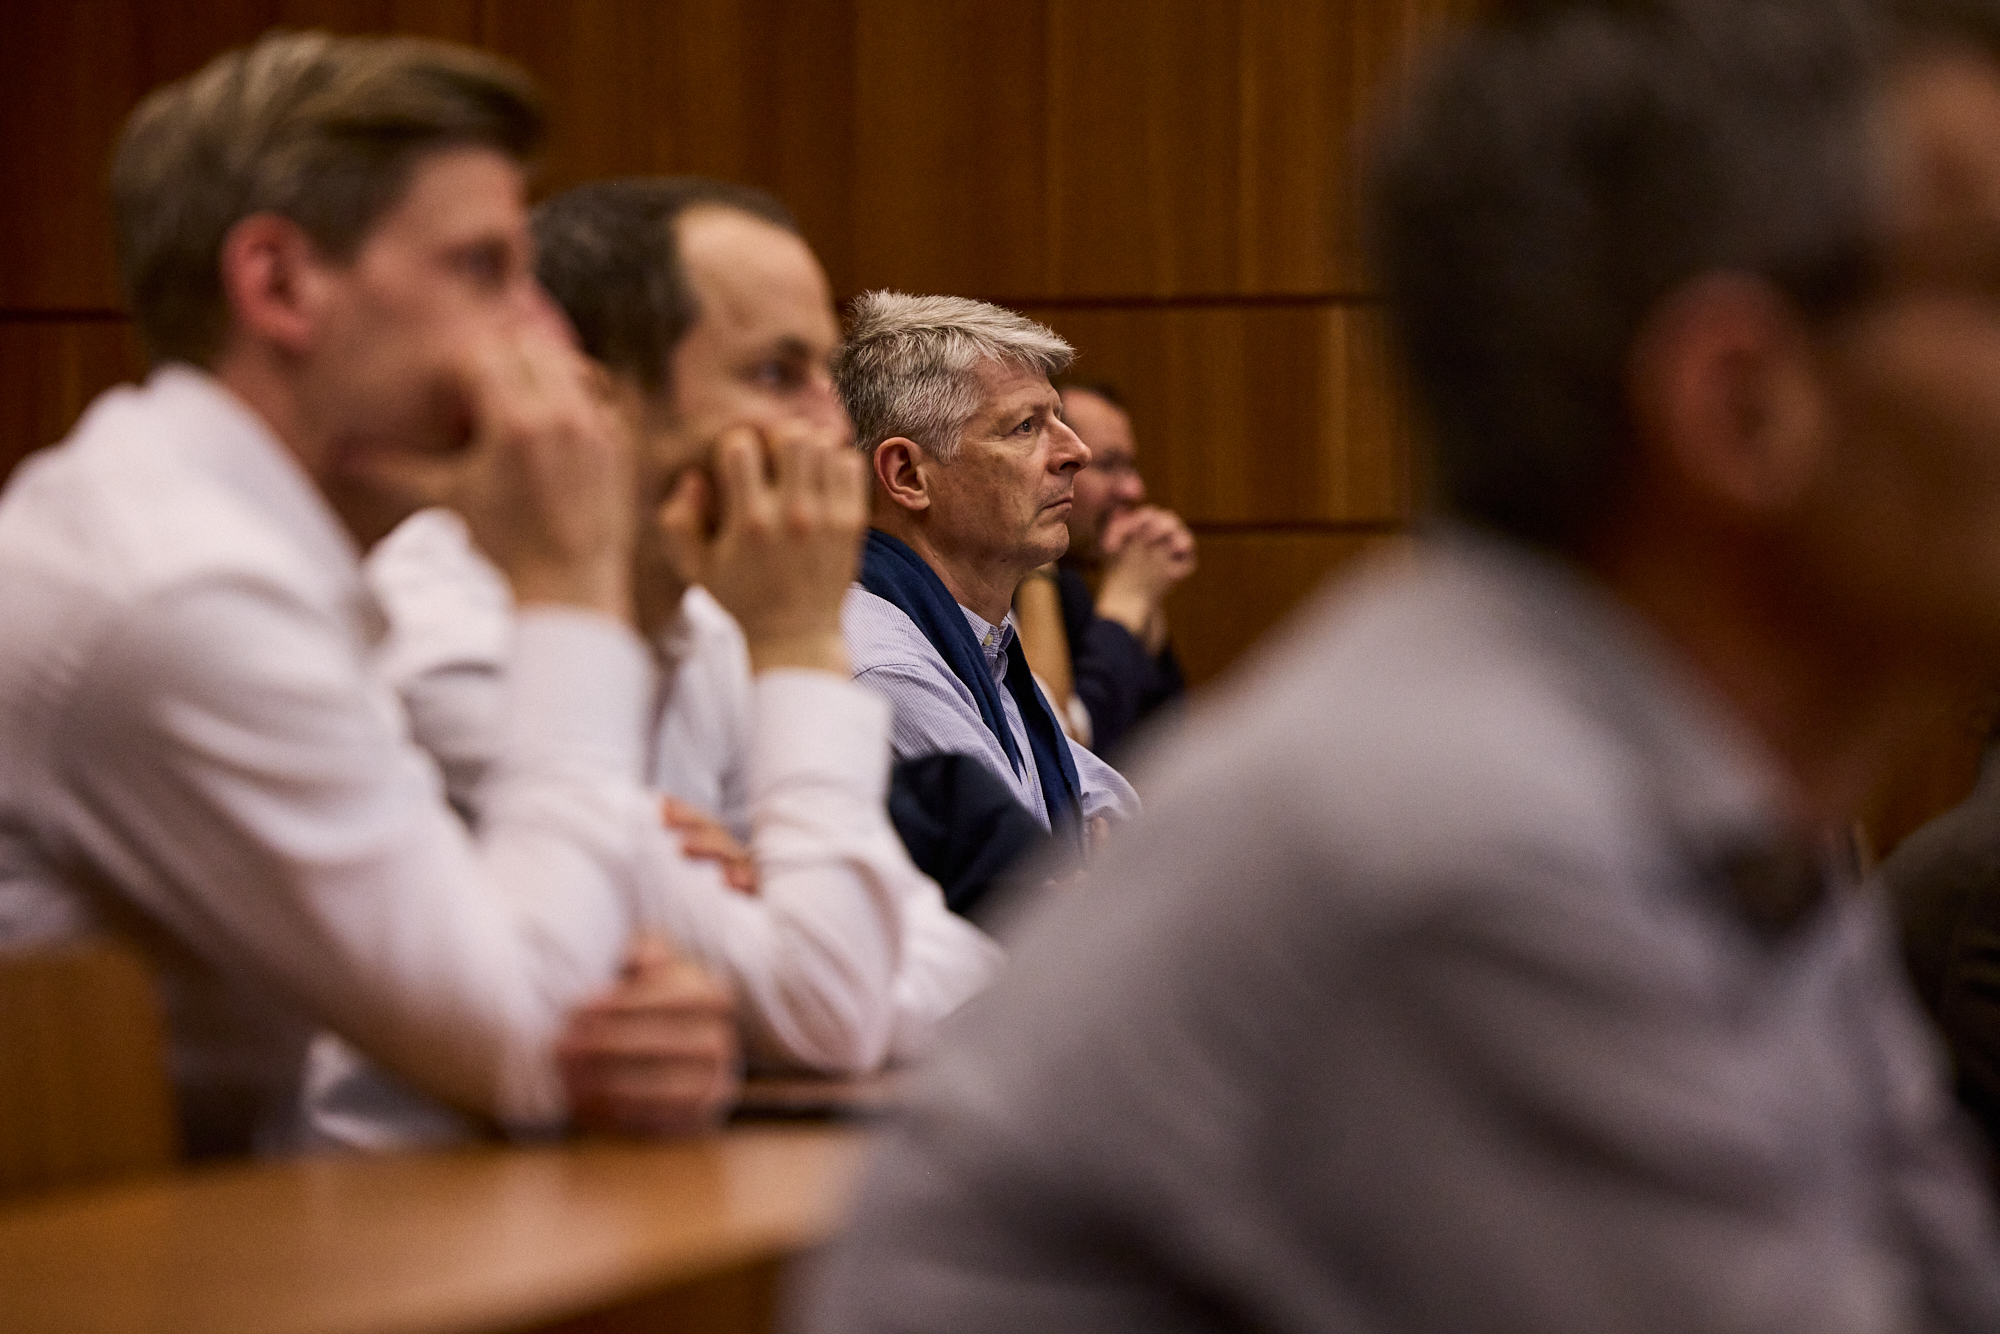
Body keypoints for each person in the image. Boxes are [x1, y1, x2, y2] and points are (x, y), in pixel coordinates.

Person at [800, 1, 2000, 1329]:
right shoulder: (1470, 855)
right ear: (1740, 402)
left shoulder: (1686, 793)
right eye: (1983, 285)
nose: (1072, 462)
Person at [0, 32, 740, 1156]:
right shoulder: (187, 587)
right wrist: (570, 580)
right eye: (484, 269)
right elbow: (532, 1033)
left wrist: (631, 1016)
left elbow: (508, 995)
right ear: (279, 284)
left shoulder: (228, 540)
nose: (544, 334)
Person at [307, 178, 1005, 1148]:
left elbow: (967, 971)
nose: (830, 428)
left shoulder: (705, 627)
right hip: (389, 1213)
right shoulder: (440, 649)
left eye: (826, 373)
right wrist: (800, 644)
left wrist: (783, 920)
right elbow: (827, 1002)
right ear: (592, 400)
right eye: (776, 373)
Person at [834, 293, 1138, 861]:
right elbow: (1028, 884)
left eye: (1059, 419)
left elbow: (1117, 815)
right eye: (1025, 427)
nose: (1076, 452)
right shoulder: (883, 664)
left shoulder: (978, 637)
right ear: (908, 474)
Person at [1048, 380, 1193, 758]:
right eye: (1109, 465)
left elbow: (1163, 745)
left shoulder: (1070, 582)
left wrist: (1145, 609)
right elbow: (1067, 754)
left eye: (1131, 466)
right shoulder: (1010, 586)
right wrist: (1126, 603)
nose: (1134, 490)